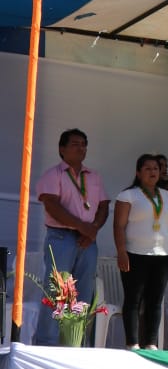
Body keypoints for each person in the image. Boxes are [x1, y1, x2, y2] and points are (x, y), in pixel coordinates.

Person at [35, 129, 109, 347]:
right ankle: (47, 344)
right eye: (75, 144)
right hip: (61, 237)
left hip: (88, 241)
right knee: (57, 292)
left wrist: (93, 229)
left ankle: (76, 342)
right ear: (62, 149)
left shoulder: (94, 176)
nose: (81, 148)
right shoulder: (53, 174)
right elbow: (51, 204)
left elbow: (104, 205)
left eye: (84, 144)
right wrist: (83, 227)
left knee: (84, 291)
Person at [113, 153, 168, 349]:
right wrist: (121, 251)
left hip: (162, 255)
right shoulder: (128, 195)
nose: (152, 172)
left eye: (156, 169)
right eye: (148, 168)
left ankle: (151, 343)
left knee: (156, 300)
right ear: (138, 172)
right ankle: (132, 343)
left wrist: (163, 240)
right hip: (135, 254)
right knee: (133, 299)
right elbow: (119, 225)